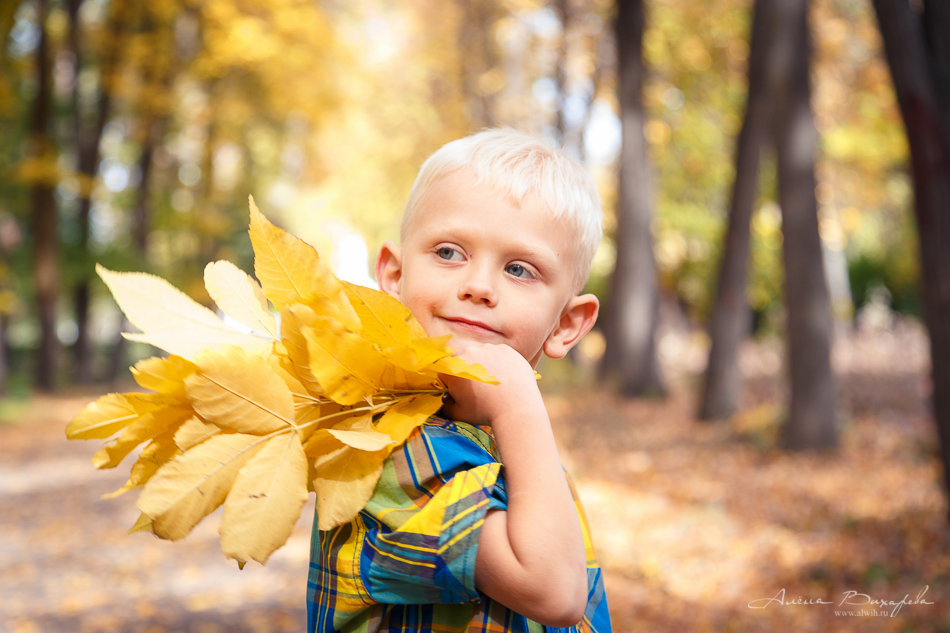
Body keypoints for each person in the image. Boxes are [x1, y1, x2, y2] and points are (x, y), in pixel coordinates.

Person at [307, 128, 612, 632]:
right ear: (393, 277)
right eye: (449, 252)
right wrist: (519, 405)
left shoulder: (500, 437)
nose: (478, 286)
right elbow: (556, 593)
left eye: (519, 269)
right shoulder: (390, 454)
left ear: (565, 325)